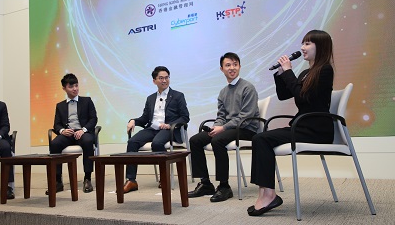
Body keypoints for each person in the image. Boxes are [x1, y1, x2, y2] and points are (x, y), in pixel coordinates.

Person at [248, 29, 335, 216]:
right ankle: (265, 191)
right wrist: (280, 74)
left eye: (307, 44)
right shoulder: (306, 72)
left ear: (320, 47)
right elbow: (284, 94)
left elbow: (303, 96)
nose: (302, 48)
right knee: (260, 138)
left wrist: (288, 71)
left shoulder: (325, 70)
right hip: (303, 126)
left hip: (316, 130)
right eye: (303, 43)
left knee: (261, 139)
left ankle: (269, 194)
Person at [188, 52, 260, 202]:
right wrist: (217, 126)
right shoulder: (223, 92)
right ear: (222, 69)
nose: (232, 68)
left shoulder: (248, 87)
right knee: (195, 140)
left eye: (235, 64)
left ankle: (224, 186)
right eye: (228, 65)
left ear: (240, 66)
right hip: (230, 128)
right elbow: (221, 115)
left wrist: (223, 128)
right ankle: (206, 183)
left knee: (217, 141)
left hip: (247, 129)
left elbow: (246, 116)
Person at [123, 66, 190, 193]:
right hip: (152, 128)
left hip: (168, 129)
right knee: (132, 142)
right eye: (161, 78)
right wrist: (134, 121)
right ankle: (131, 180)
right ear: (154, 81)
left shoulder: (178, 96)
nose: (164, 80)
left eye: (166, 78)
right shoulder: (150, 98)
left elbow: (185, 117)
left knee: (157, 143)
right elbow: (144, 118)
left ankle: (164, 178)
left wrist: (170, 125)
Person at [48, 73, 98, 194]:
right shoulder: (60, 106)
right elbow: (56, 125)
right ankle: (58, 181)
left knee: (87, 141)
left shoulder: (86, 101)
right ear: (64, 88)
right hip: (68, 134)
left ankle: (87, 178)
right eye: (71, 87)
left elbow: (93, 119)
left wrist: (83, 130)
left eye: (76, 85)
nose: (75, 89)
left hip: (82, 132)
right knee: (54, 144)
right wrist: (62, 131)